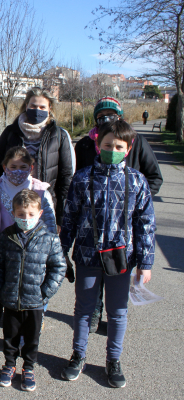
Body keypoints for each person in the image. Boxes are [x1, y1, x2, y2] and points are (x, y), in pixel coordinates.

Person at [60, 119, 156, 388]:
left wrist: (145, 263)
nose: (112, 149)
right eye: (107, 144)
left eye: (118, 146)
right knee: (83, 310)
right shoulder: (82, 178)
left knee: (117, 312)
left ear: (128, 148)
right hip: (88, 257)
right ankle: (78, 355)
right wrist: (62, 252)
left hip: (121, 258)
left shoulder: (137, 182)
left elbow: (146, 224)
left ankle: (113, 360)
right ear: (97, 144)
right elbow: (69, 219)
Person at [73, 96, 162, 333]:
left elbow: (154, 176)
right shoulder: (83, 145)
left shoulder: (135, 141)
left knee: (116, 285)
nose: (106, 119)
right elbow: (76, 185)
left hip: (122, 231)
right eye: (100, 117)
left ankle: (113, 340)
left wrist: (131, 201)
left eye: (111, 115)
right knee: (89, 289)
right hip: (90, 232)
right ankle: (94, 313)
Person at [0, 146, 57, 353]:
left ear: (31, 168)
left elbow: (48, 223)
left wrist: (50, 252)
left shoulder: (40, 190)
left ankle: (24, 334)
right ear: (4, 167)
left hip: (30, 254)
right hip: (0, 251)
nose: (18, 171)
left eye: (23, 167)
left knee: (26, 291)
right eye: (13, 166)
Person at [0, 189, 66, 391]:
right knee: (10, 336)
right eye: (21, 214)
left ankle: (28, 367)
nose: (26, 218)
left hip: (35, 301)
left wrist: (45, 292)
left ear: (40, 214)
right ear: (13, 213)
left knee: (32, 338)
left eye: (31, 214)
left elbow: (59, 267)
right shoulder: (5, 237)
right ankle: (9, 365)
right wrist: (1, 290)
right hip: (10, 299)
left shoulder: (49, 239)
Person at [0, 87, 75, 231]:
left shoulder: (59, 136)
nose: (37, 110)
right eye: (33, 106)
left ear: (49, 108)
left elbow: (66, 178)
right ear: (26, 105)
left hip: (44, 205)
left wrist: (60, 217)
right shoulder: (11, 132)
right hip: (11, 207)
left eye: (42, 107)